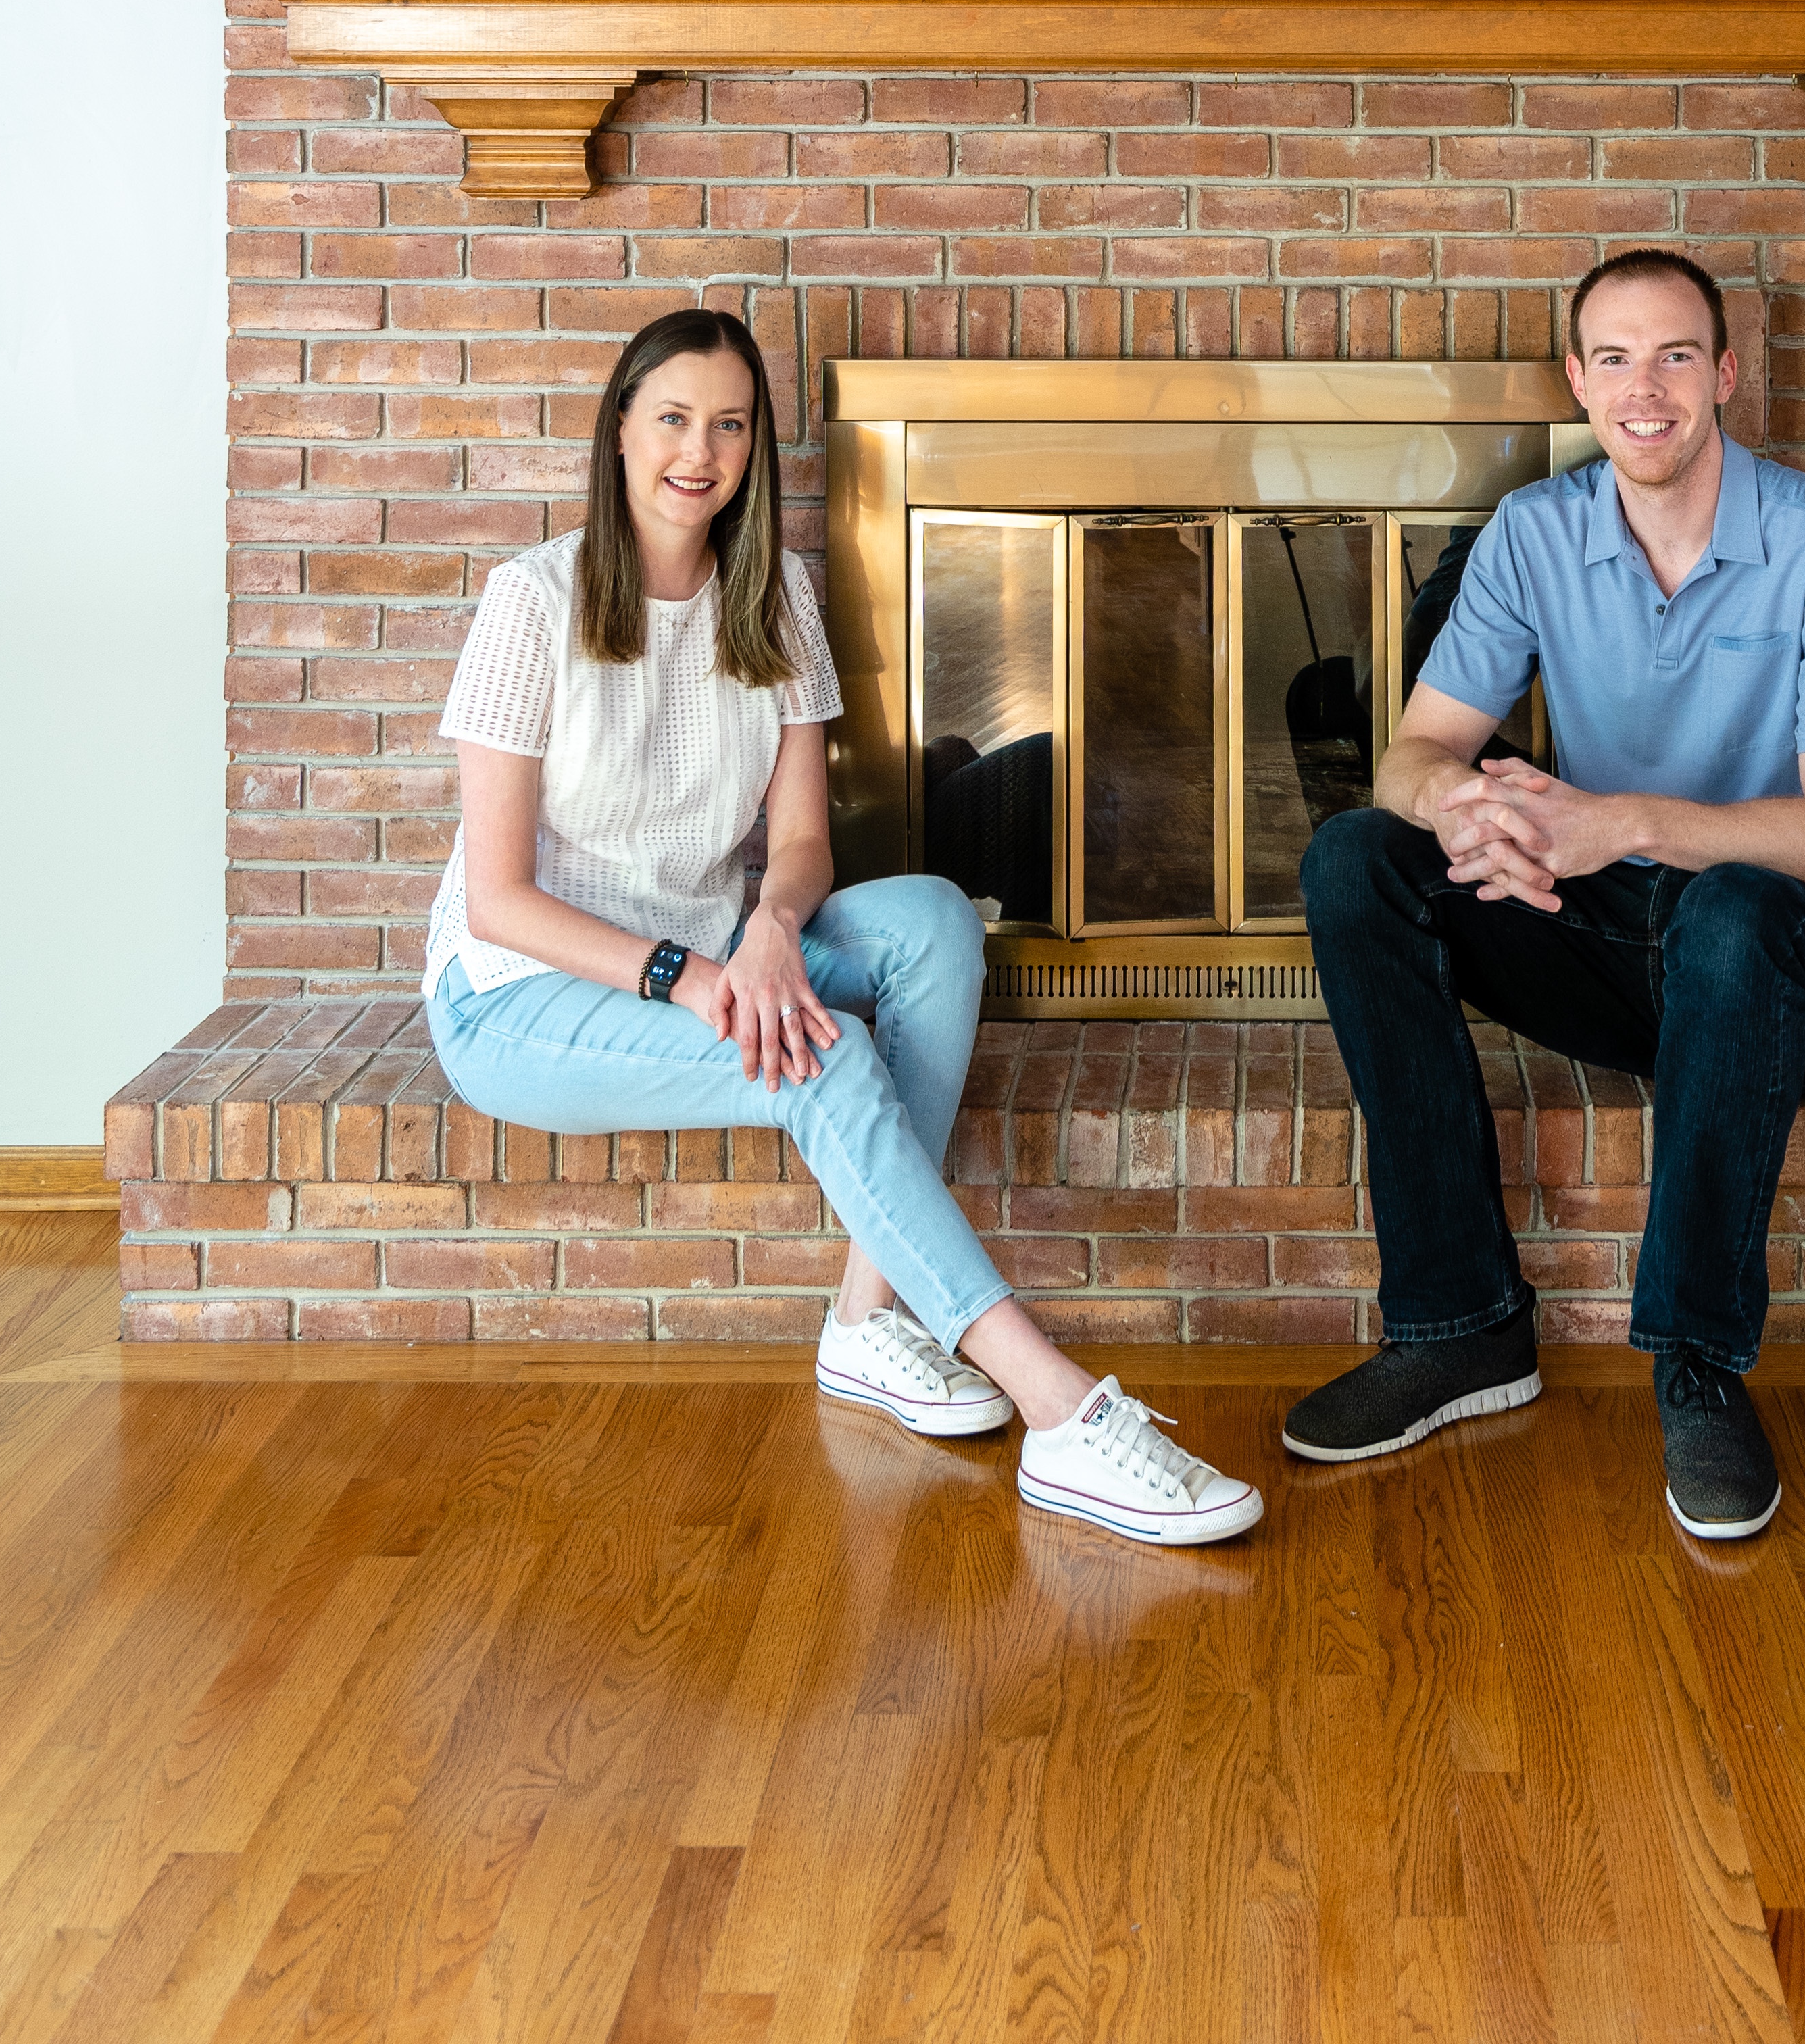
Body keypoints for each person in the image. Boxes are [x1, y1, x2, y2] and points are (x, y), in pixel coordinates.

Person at [424, 305, 1259, 1550]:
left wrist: (766, 930)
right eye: (671, 418)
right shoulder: (532, 603)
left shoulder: (776, 597)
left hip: (712, 940)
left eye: (729, 424)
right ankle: (1061, 1409)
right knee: (825, 1054)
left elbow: (805, 843)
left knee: (927, 918)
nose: (698, 451)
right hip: (521, 993)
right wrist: (694, 978)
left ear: (754, 446)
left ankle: (870, 1317)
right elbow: (500, 899)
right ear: (617, 432)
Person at [1288, 250, 1805, 1540]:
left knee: (1733, 908)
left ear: (1725, 373)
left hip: (1795, 971)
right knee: (1356, 857)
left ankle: (1698, 1364)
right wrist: (1476, 818)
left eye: (1677, 353)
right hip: (1611, 941)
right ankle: (1461, 1327)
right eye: (1615, 358)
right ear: (1578, 381)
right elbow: (1413, 752)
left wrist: (1611, 821)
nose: (1647, 388)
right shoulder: (1536, 532)